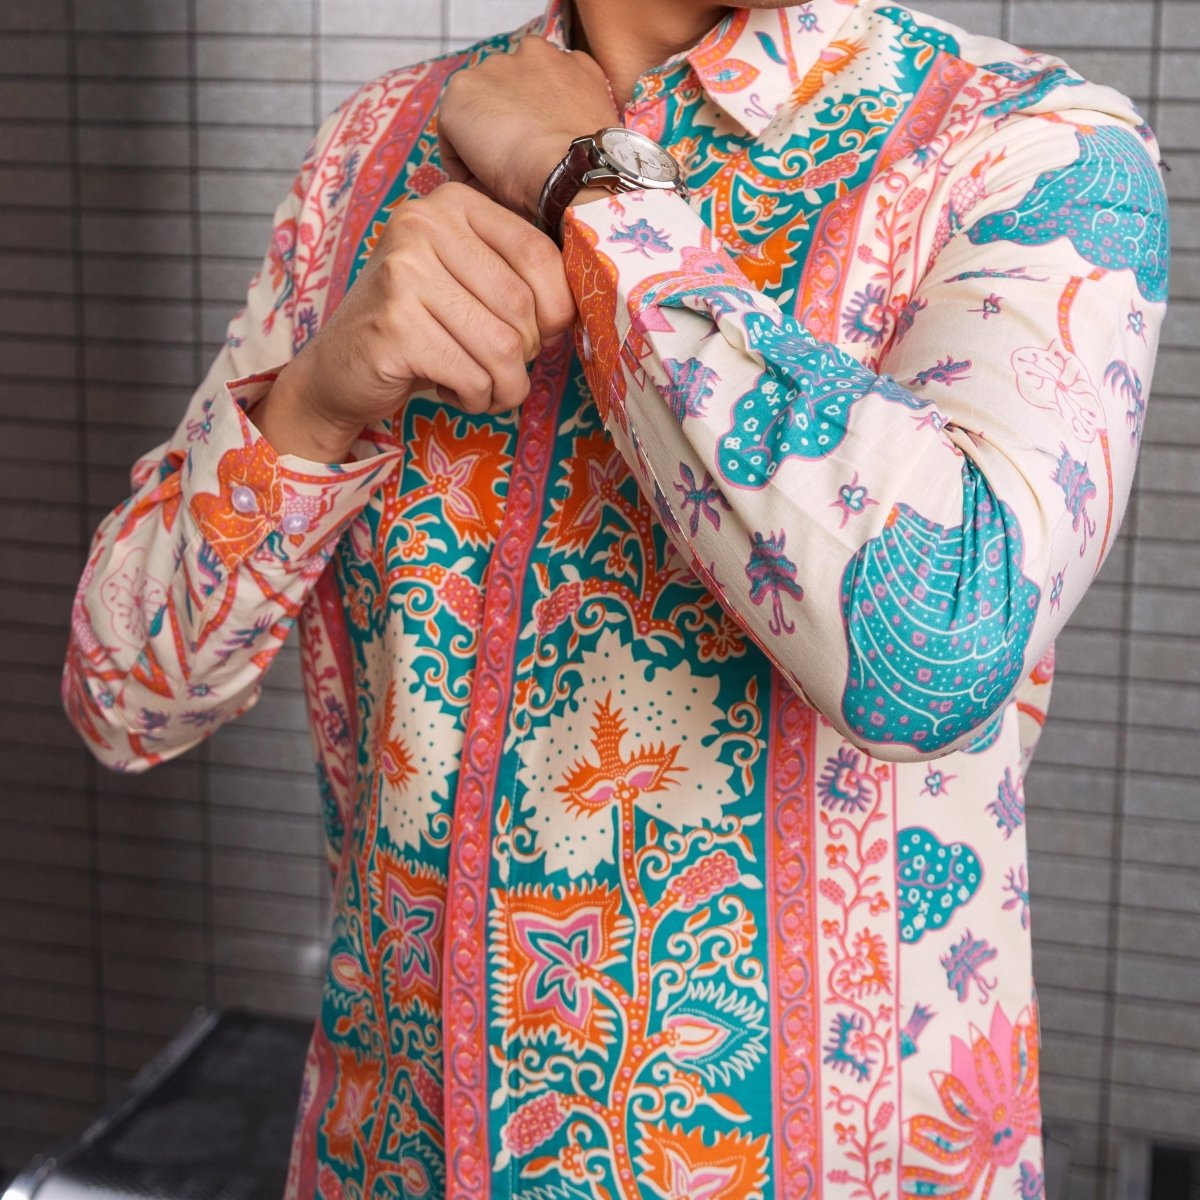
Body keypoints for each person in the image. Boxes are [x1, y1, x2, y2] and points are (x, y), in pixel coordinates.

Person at [63, 0, 1167, 1195]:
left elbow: (937, 642)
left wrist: (591, 188)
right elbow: (125, 698)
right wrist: (313, 408)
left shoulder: (1028, 145)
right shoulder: (373, 150)